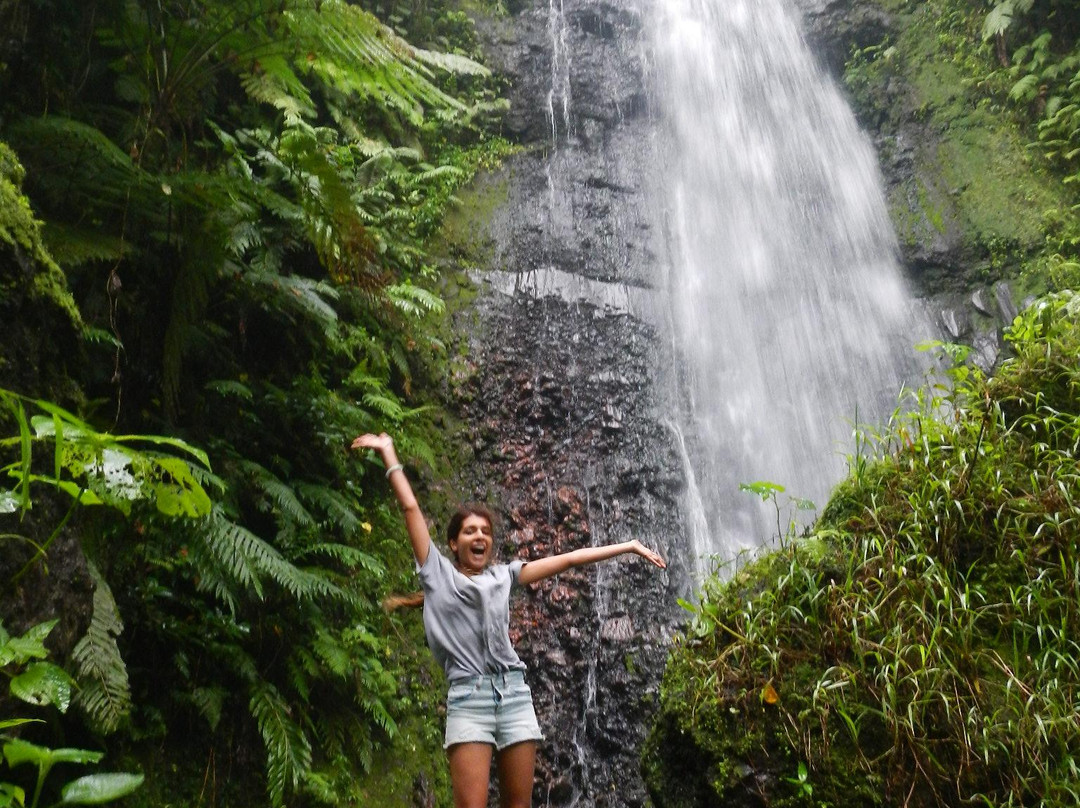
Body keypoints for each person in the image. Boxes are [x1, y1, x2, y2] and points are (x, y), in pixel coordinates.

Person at [351, 432, 667, 808]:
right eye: (470, 531)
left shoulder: (505, 575)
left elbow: (568, 559)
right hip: (469, 697)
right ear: (453, 544)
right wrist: (389, 454)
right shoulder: (437, 574)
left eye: (485, 531)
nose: (479, 535)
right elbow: (410, 509)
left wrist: (628, 546)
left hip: (515, 694)